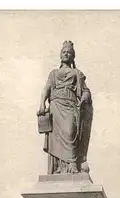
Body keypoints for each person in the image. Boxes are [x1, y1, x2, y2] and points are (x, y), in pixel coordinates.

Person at [37, 41, 93, 174]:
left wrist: (84, 97)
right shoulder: (53, 73)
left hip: (70, 106)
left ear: (73, 56)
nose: (66, 54)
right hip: (55, 107)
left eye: (69, 53)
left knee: (70, 132)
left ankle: (72, 163)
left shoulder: (77, 73)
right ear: (60, 55)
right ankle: (60, 168)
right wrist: (41, 104)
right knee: (56, 139)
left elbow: (85, 90)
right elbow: (46, 89)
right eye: (64, 52)